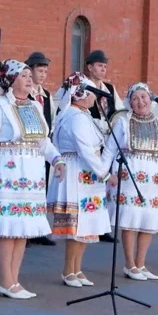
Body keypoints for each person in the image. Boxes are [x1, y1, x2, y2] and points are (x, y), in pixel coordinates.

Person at [0, 59, 66, 299]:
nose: (29, 78)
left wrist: (57, 159)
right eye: (23, 75)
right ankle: (6, 280)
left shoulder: (33, 106)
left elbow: (43, 141)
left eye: (28, 75)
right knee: (7, 228)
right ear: (11, 81)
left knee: (23, 228)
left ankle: (14, 281)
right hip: (7, 171)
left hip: (31, 173)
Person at [102, 82, 158, 281]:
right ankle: (130, 265)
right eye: (135, 98)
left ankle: (141, 263)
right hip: (129, 176)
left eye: (143, 97)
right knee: (130, 220)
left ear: (150, 99)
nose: (140, 102)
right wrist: (104, 174)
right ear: (130, 102)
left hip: (152, 178)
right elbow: (111, 150)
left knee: (148, 221)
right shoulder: (123, 122)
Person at [47, 72, 113, 288]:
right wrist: (105, 172)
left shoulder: (82, 115)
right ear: (80, 94)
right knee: (77, 226)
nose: (95, 97)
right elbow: (85, 150)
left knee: (86, 224)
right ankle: (69, 270)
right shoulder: (75, 117)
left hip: (86, 174)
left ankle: (77, 269)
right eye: (91, 92)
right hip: (77, 173)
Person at [83, 50, 123, 243]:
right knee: (91, 181)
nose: (103, 69)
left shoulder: (109, 88)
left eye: (105, 66)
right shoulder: (81, 86)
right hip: (89, 141)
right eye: (99, 65)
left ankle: (103, 226)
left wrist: (116, 125)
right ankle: (87, 222)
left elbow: (119, 112)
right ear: (89, 67)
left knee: (106, 185)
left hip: (107, 142)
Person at [24, 51, 57, 247]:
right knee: (27, 188)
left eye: (45, 71)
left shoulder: (46, 95)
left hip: (42, 149)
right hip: (27, 149)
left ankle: (37, 229)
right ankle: (24, 231)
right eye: (40, 70)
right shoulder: (25, 94)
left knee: (41, 188)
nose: (43, 75)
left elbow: (51, 119)